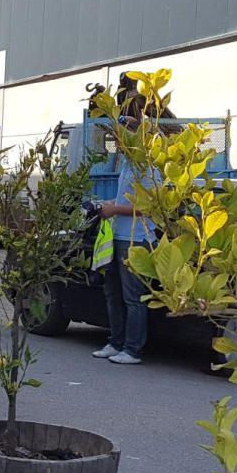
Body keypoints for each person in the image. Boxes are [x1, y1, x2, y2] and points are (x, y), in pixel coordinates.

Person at [92, 120, 160, 365]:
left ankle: (132, 349)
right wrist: (106, 204)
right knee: (113, 293)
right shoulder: (128, 165)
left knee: (132, 297)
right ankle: (116, 342)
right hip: (117, 236)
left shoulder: (148, 168)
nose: (118, 142)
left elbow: (149, 206)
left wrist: (114, 210)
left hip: (136, 239)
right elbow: (125, 198)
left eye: (121, 136)